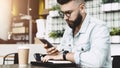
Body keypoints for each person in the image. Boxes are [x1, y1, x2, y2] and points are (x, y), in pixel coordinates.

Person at [41, 0, 112, 68]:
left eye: (68, 13)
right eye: (63, 13)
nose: (65, 18)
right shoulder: (69, 29)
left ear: (82, 8)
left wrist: (64, 56)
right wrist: (57, 54)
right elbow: (63, 54)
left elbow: (96, 61)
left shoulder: (99, 27)